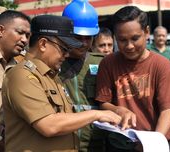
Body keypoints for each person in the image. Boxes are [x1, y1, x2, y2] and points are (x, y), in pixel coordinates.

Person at [2, 14, 121, 152]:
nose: (67, 55)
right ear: (43, 44)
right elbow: (49, 125)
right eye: (64, 49)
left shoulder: (51, 76)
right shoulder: (23, 76)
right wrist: (96, 114)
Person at [95, 6, 170, 151]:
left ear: (147, 32)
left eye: (135, 38)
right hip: (119, 145)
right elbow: (103, 103)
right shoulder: (107, 63)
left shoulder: (162, 65)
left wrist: (152, 143)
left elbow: (167, 110)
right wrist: (118, 110)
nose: (129, 46)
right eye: (122, 40)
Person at [59, 0, 109, 151]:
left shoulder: (102, 64)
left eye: (88, 38)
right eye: (77, 37)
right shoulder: (52, 63)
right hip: (63, 144)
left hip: (97, 145)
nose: (83, 43)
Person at [0, 10, 30, 152]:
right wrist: (0, 134)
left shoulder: (22, 65)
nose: (24, 40)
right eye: (20, 32)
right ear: (1, 30)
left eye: (27, 35)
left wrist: (8, 137)